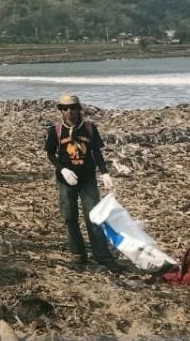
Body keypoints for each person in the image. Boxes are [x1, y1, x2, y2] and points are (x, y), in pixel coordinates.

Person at [45, 93, 117, 269]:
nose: (69, 111)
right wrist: (62, 169)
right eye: (65, 108)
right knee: (69, 217)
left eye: (73, 108)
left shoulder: (90, 128)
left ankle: (103, 256)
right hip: (65, 180)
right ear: (61, 111)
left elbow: (97, 153)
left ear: (79, 109)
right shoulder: (55, 130)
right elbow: (50, 154)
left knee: (93, 217)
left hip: (87, 179)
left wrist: (105, 173)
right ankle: (78, 254)